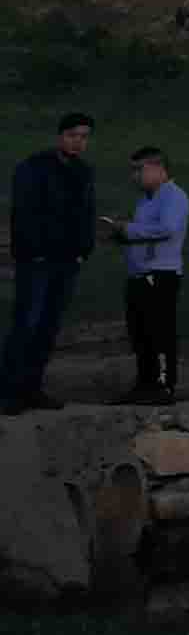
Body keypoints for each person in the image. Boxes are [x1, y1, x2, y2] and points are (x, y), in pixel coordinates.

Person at [3, 113, 99, 414]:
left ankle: (32, 388)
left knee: (48, 326)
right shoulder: (34, 167)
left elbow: (87, 212)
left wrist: (84, 249)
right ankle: (9, 391)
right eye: (72, 135)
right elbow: (24, 213)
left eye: (84, 136)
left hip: (67, 260)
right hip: (38, 260)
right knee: (27, 324)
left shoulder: (83, 172)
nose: (78, 141)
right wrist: (34, 250)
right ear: (60, 136)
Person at [106, 145, 188, 406]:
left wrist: (127, 230)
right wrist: (118, 234)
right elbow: (146, 232)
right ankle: (145, 384)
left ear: (157, 168)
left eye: (138, 170)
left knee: (159, 332)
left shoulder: (174, 196)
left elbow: (167, 228)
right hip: (139, 275)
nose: (133, 177)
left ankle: (163, 386)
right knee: (139, 332)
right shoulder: (147, 200)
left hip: (160, 275)